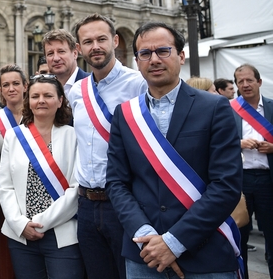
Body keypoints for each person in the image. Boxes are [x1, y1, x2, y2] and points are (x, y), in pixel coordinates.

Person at [106, 22, 242, 278]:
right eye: (145, 53)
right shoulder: (124, 115)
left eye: (163, 51)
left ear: (181, 55)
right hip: (143, 252)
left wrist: (174, 241)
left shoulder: (215, 108)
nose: (154, 59)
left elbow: (226, 185)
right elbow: (116, 182)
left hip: (204, 250)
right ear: (137, 61)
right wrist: (145, 234)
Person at [67, 14, 146, 279]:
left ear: (115, 40)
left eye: (101, 39)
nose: (95, 46)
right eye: (87, 41)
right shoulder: (77, 91)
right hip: (87, 205)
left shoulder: (137, 84)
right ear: (79, 49)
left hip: (124, 202)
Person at [0, 75, 84, 278]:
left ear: (60, 100)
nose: (41, 100)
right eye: (35, 96)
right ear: (28, 101)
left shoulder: (73, 136)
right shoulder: (14, 136)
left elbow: (75, 188)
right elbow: (5, 186)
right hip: (21, 235)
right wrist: (21, 224)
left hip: (62, 234)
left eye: (48, 95)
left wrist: (40, 222)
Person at [231, 64, 273, 278]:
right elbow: (218, 143)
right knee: (240, 238)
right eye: (241, 82)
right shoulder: (230, 109)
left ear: (259, 81)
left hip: (267, 180)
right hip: (241, 181)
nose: (245, 85)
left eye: (249, 80)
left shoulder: (272, 107)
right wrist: (239, 143)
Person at [0, 64, 29, 279]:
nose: (11, 88)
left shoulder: (38, 117)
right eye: (6, 85)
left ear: (25, 86)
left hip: (33, 197)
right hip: (4, 199)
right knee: (4, 263)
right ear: (1, 90)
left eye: (16, 83)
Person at [42, 29, 86, 98]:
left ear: (75, 54)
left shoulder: (93, 85)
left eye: (61, 51)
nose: (56, 58)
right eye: (50, 53)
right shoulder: (43, 91)